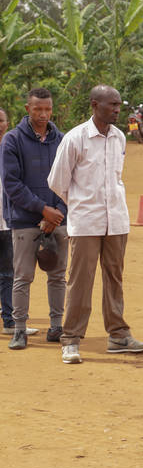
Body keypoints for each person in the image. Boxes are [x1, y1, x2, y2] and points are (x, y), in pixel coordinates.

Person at [48, 85, 143, 364]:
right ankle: (70, 339)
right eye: (111, 105)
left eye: (119, 105)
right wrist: (81, 204)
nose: (117, 110)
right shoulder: (75, 138)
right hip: (86, 223)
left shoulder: (119, 138)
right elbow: (57, 182)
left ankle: (118, 335)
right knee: (80, 281)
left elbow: (115, 177)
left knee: (114, 279)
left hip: (116, 220)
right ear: (95, 105)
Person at [2, 89, 69, 349]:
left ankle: (56, 326)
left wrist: (57, 213)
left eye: (47, 109)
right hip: (24, 221)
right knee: (23, 276)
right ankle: (19, 329)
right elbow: (11, 184)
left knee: (57, 275)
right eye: (37, 109)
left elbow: (70, 180)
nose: (43, 114)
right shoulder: (12, 140)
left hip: (58, 221)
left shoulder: (62, 140)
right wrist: (43, 210)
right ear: (27, 108)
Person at [0, 107, 15, 336]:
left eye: (1, 120)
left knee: (8, 272)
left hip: (8, 220)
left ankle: (9, 320)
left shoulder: (12, 146)